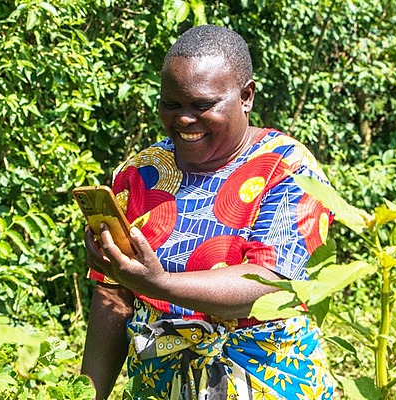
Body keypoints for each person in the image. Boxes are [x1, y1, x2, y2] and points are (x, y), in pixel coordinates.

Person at [81, 24, 335, 400]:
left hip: (268, 381)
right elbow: (113, 299)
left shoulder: (287, 168)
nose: (183, 119)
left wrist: (159, 284)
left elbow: (268, 283)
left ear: (246, 96)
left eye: (202, 106)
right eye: (171, 104)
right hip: (159, 384)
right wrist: (87, 395)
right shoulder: (141, 174)